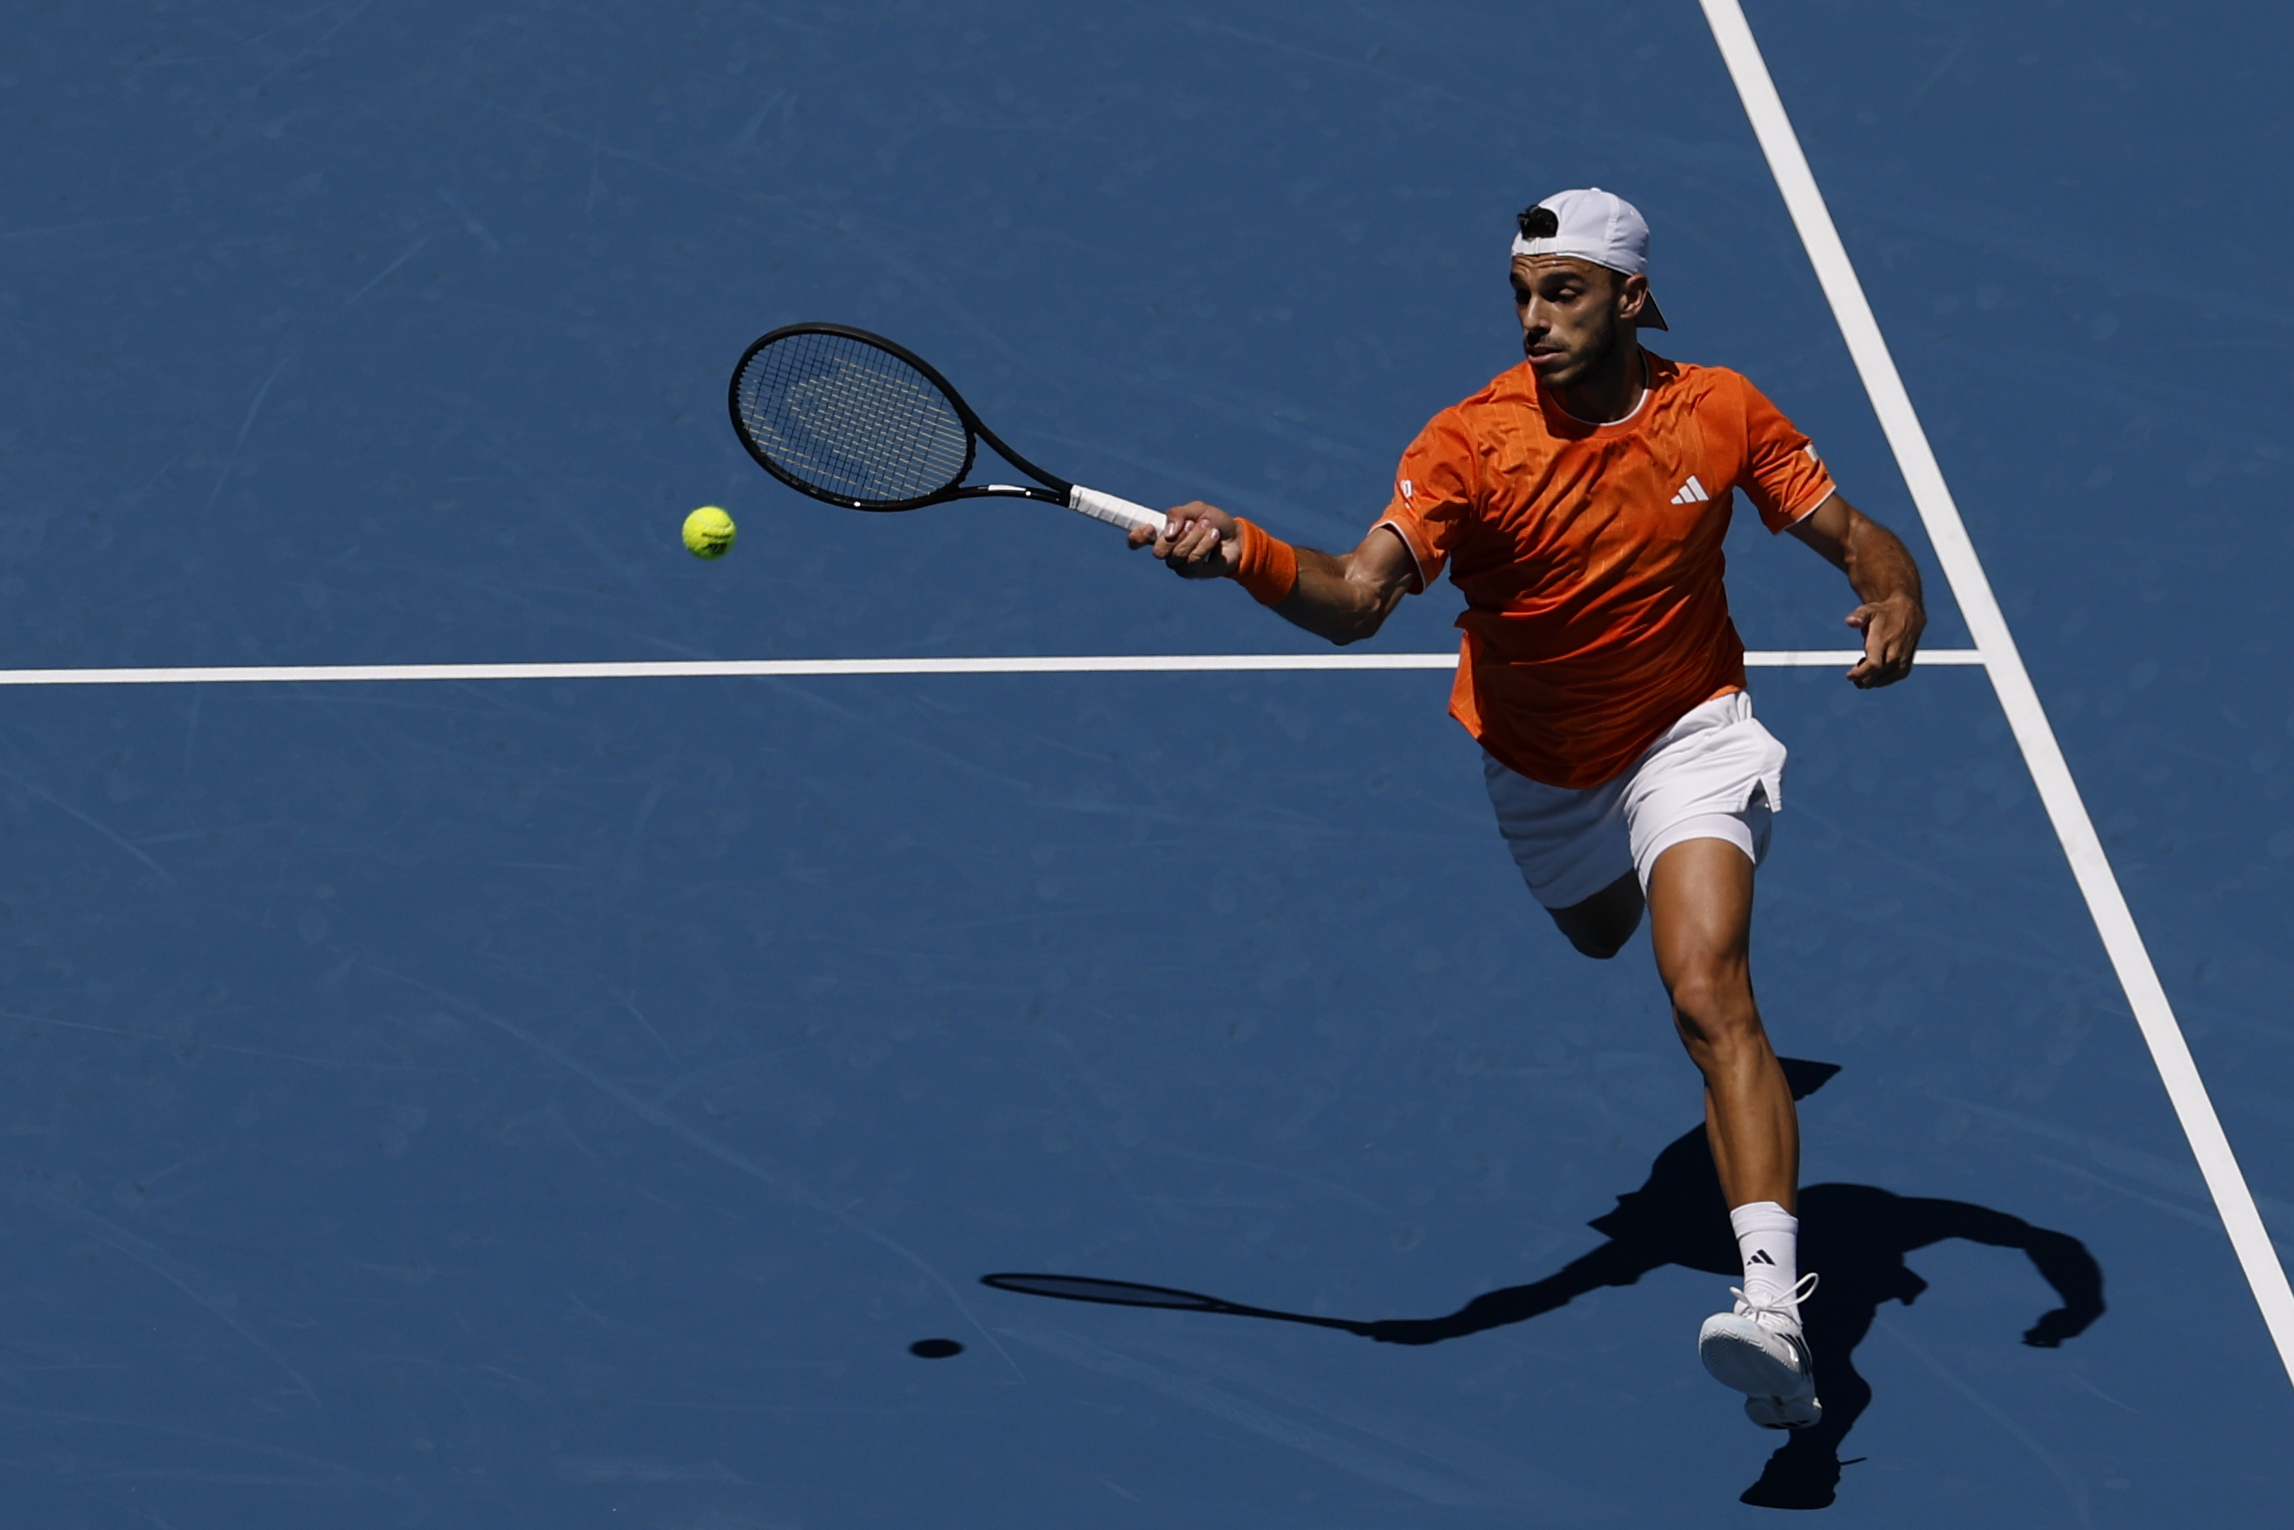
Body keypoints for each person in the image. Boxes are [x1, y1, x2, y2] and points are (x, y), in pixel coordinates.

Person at [1129, 187, 1926, 1432]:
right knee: (1599, 933)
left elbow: (1851, 531)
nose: (1532, 318)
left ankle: (1773, 1310)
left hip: (1687, 731)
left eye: (1561, 292)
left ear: (1631, 298)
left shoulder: (1717, 410)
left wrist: (1894, 591)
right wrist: (1244, 551)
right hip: (1538, 764)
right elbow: (1352, 597)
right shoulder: (1468, 445)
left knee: (1704, 987)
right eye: (1519, 293)